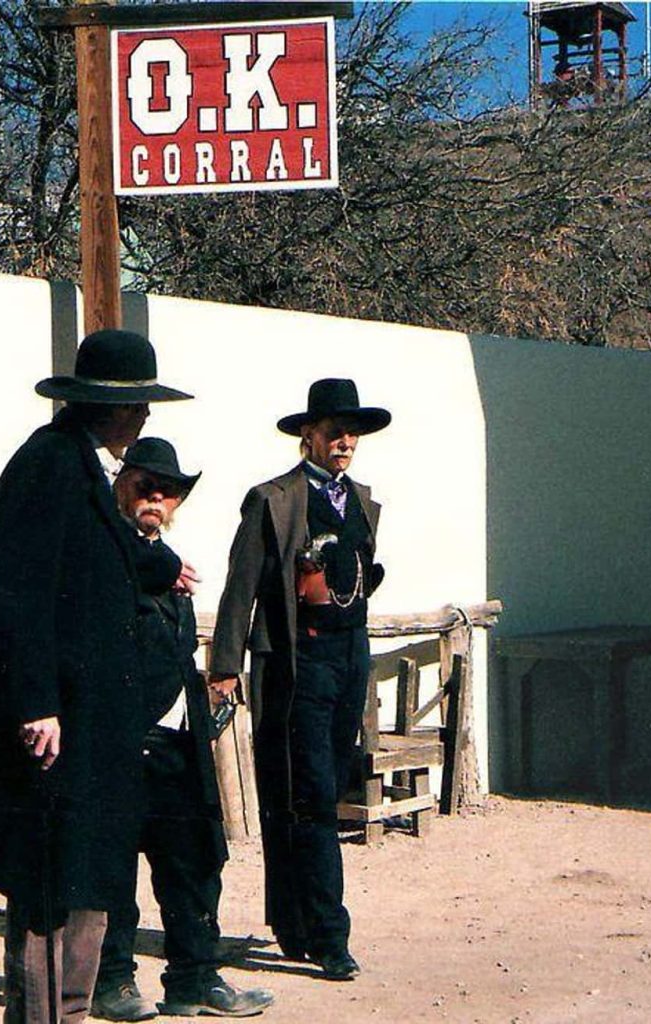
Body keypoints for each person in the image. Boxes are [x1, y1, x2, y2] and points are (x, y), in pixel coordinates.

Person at [0, 330, 192, 1024]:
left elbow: (92, 560)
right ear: (105, 406)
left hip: (93, 721)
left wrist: (160, 567)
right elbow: (17, 592)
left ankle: (68, 1012)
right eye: (135, 405)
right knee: (52, 879)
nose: (142, 418)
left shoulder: (82, 464)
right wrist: (37, 704)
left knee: (85, 872)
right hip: (60, 722)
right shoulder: (49, 464)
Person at [208, 378, 391, 982]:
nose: (344, 440)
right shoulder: (274, 499)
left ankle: (291, 922)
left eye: (352, 431)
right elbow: (242, 586)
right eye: (333, 430)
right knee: (309, 794)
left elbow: (359, 579)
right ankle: (329, 935)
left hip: (348, 659)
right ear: (306, 436)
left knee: (324, 785)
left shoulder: (361, 499)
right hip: (296, 662)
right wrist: (226, 667)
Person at [92, 438, 274, 1022]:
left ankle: (194, 979)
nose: (155, 499)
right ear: (121, 488)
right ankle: (112, 982)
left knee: (195, 865)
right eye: (144, 486)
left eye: (166, 492)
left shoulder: (168, 561)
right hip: (121, 744)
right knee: (114, 871)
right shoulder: (105, 555)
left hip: (176, 742)